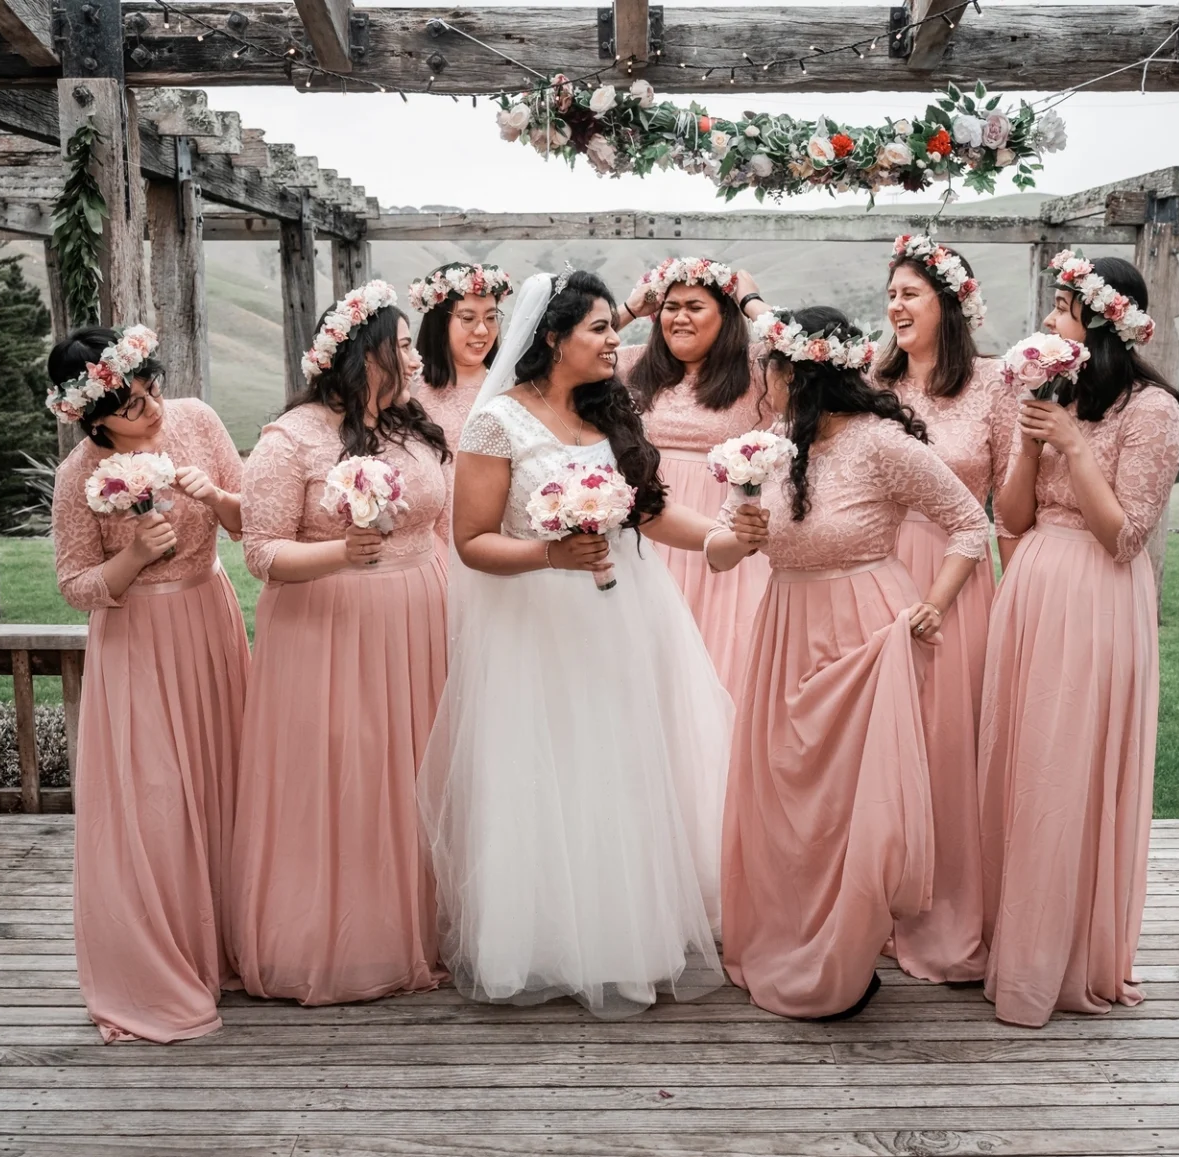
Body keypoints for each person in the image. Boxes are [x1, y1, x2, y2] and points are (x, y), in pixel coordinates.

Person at [422, 269, 769, 1018]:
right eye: (601, 329)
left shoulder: (612, 415)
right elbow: (473, 540)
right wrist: (550, 555)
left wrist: (723, 541)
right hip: (536, 626)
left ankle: (626, 940)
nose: (619, 340)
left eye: (616, 328)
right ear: (552, 336)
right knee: (545, 770)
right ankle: (543, 939)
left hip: (624, 617)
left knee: (621, 766)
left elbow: (651, 513)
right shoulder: (498, 424)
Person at [722, 307, 990, 1021]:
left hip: (866, 635)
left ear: (798, 371)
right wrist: (739, 529)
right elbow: (726, 546)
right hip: (786, 627)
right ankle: (794, 936)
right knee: (790, 799)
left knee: (851, 807)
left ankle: (849, 949)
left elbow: (970, 522)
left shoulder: (882, 445)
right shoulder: (776, 447)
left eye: (769, 370)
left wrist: (935, 603)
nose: (763, 383)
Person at [229, 281, 452, 1005]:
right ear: (366, 354)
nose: (416, 358)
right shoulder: (289, 440)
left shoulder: (411, 427)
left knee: (417, 770)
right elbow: (260, 551)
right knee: (350, 776)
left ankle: (423, 924)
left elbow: (437, 521)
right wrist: (341, 555)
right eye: (404, 344)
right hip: (331, 632)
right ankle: (347, 938)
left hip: (419, 619)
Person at [980, 252, 1179, 1027]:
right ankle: (1016, 944)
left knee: (1068, 771)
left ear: (1103, 323)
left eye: (1065, 308)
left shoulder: (1153, 410)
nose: (1052, 320)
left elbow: (1123, 534)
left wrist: (1072, 443)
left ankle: (1059, 960)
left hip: (1097, 600)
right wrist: (1033, 444)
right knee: (1025, 768)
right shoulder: (1051, 395)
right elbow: (1014, 518)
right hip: (1030, 589)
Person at [48, 324, 248, 1041]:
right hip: (137, 644)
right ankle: (162, 960)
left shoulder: (196, 420)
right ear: (93, 422)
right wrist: (133, 556)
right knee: (156, 803)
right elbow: (74, 583)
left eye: (149, 387)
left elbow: (253, 516)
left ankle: (227, 945)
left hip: (208, 618)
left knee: (224, 781)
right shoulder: (78, 478)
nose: (150, 408)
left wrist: (218, 493)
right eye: (129, 407)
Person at [875, 235, 1017, 985]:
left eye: (911, 293)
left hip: (960, 582)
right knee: (881, 742)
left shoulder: (995, 387)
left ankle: (947, 911)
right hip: (880, 568)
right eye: (891, 292)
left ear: (951, 303)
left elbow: (1011, 501)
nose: (895, 305)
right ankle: (876, 901)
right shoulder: (875, 380)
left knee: (947, 745)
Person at [614, 257, 774, 691]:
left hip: (722, 544)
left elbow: (801, 353)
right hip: (645, 537)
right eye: (671, 305)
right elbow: (559, 351)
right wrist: (629, 308)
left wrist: (751, 300)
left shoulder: (757, 371)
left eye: (695, 306)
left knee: (718, 672)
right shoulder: (629, 364)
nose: (679, 317)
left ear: (725, 317)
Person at [410, 262, 514, 545]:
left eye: (491, 317)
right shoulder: (409, 392)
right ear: (440, 323)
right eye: (468, 318)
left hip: (501, 539)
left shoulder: (513, 389)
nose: (482, 330)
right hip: (431, 544)